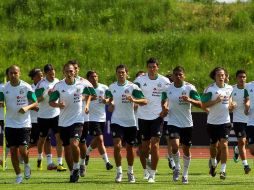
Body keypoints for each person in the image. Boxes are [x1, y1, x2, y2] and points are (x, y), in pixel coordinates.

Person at [49, 62, 95, 183]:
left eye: (71, 71)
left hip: (78, 119)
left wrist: (87, 104)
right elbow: (51, 102)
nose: (69, 73)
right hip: (63, 121)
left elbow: (92, 94)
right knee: (67, 149)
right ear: (63, 72)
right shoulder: (58, 86)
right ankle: (72, 172)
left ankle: (78, 166)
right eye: (67, 71)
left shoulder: (82, 83)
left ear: (75, 72)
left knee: (75, 143)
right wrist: (58, 104)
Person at [105, 64, 147, 183]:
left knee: (129, 148)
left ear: (127, 73)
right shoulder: (112, 86)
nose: (121, 74)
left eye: (123, 72)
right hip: (116, 121)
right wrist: (107, 102)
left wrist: (134, 100)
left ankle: (130, 172)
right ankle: (119, 173)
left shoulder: (133, 87)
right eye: (119, 72)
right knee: (117, 146)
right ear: (116, 73)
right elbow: (109, 100)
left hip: (130, 122)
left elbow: (144, 101)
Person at [162, 66, 202, 184]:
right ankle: (177, 168)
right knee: (174, 145)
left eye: (180, 75)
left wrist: (189, 100)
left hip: (187, 123)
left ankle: (185, 174)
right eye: (176, 75)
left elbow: (200, 104)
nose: (178, 77)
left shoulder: (190, 88)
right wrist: (164, 106)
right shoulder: (168, 88)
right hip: (173, 121)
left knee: (186, 149)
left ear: (184, 75)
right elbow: (163, 99)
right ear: (173, 76)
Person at [134, 57, 170, 183]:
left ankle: (152, 174)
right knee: (144, 148)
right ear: (147, 68)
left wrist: (165, 107)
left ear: (157, 67)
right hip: (143, 116)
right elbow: (134, 92)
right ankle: (148, 169)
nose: (152, 69)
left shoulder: (164, 81)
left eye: (154, 67)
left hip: (157, 116)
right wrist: (137, 100)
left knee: (155, 145)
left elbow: (168, 95)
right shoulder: (139, 80)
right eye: (150, 67)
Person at [0, 65, 37, 184]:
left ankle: (26, 164)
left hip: (24, 124)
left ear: (19, 73)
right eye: (11, 73)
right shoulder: (4, 88)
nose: (13, 75)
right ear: (8, 75)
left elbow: (35, 103)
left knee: (23, 149)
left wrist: (27, 107)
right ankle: (18, 175)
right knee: (13, 150)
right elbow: (1, 102)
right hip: (10, 123)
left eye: (15, 73)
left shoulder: (26, 87)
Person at [202, 67, 233, 180]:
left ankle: (223, 170)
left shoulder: (230, 88)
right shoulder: (209, 89)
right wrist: (215, 101)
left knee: (224, 145)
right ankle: (213, 162)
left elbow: (229, 102)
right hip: (212, 122)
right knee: (213, 146)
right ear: (214, 76)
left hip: (225, 121)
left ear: (225, 76)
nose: (221, 77)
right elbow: (203, 105)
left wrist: (231, 106)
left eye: (223, 75)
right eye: (218, 75)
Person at [35, 64, 66, 171]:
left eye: (53, 73)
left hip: (56, 114)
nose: (53, 76)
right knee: (42, 140)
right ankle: (39, 158)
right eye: (50, 74)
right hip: (43, 116)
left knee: (59, 138)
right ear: (45, 74)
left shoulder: (57, 82)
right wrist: (45, 94)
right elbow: (37, 100)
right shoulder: (41, 84)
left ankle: (60, 163)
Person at [84, 70, 113, 171]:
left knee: (97, 140)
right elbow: (81, 99)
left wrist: (107, 101)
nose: (94, 78)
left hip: (102, 118)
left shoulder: (104, 87)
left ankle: (87, 153)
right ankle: (107, 162)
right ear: (88, 79)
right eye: (92, 77)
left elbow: (110, 98)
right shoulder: (86, 89)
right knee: (100, 140)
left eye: (96, 76)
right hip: (91, 118)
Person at [230, 70, 251, 174]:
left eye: (244, 77)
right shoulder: (231, 89)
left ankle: (237, 150)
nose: (242, 79)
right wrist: (231, 105)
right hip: (238, 120)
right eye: (240, 77)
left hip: (250, 120)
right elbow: (228, 103)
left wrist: (247, 105)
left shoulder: (249, 88)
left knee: (248, 144)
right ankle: (246, 165)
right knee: (242, 142)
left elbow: (248, 99)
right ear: (236, 78)